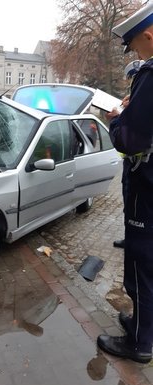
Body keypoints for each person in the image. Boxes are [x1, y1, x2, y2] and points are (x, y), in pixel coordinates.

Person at [97, 2, 153, 364]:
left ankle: (140, 342)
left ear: (148, 35)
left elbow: (130, 141)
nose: (133, 51)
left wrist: (117, 119)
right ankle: (140, 323)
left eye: (133, 44)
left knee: (141, 264)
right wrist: (135, 110)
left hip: (147, 190)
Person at [113, 59, 145, 249]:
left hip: (140, 164)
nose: (132, 83)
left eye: (133, 79)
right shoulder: (135, 98)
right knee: (130, 203)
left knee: (137, 205)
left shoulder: (142, 99)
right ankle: (130, 236)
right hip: (131, 164)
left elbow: (129, 134)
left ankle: (135, 239)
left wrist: (121, 115)